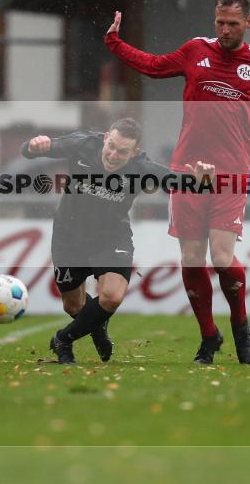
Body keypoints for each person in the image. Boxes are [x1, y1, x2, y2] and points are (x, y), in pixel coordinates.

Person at [105, 0, 250, 365]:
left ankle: (240, 322)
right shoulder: (196, 50)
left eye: (232, 24)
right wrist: (115, 43)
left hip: (231, 172)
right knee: (192, 258)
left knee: (222, 257)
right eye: (219, 22)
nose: (224, 30)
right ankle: (209, 335)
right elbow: (154, 65)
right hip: (188, 171)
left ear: (248, 22)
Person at [21, 118, 214, 365]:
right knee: (73, 306)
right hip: (68, 235)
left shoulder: (142, 168)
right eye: (111, 146)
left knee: (111, 296)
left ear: (133, 152)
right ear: (105, 138)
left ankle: (62, 340)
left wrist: (203, 180)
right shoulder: (83, 144)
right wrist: (32, 146)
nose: (113, 155)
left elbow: (189, 185)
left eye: (122, 151)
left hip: (111, 237)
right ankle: (98, 327)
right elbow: (30, 151)